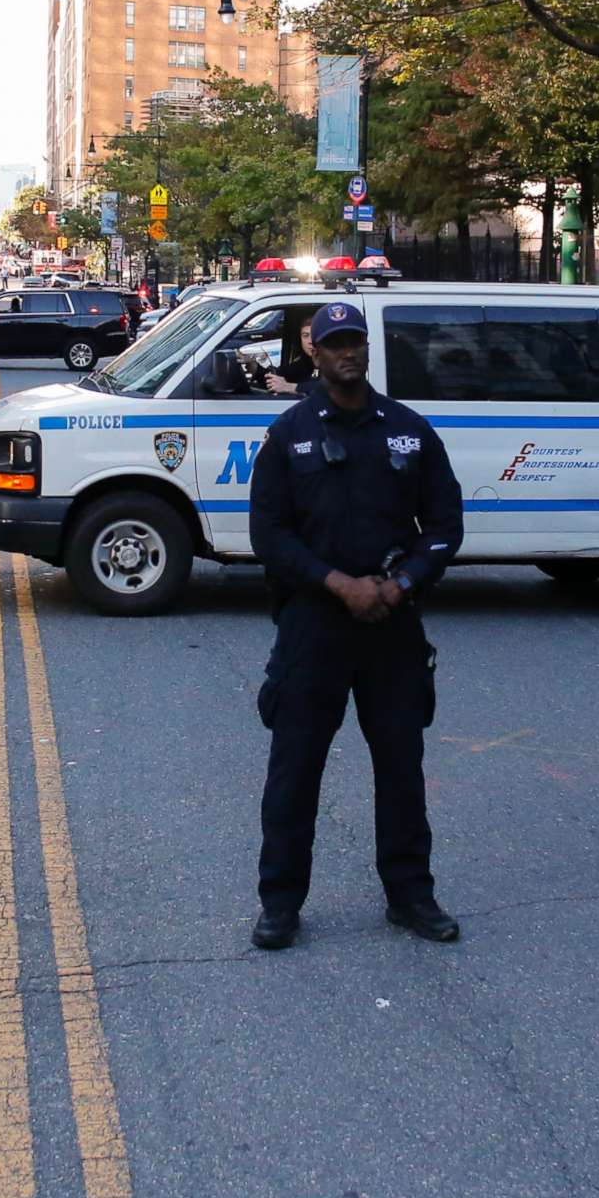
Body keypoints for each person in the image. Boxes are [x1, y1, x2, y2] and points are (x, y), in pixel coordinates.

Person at [246, 300, 465, 951]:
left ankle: (410, 894)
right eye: (334, 343)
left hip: (392, 625)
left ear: (367, 349)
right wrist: (337, 582)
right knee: (294, 770)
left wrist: (400, 584)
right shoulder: (289, 435)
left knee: (401, 764)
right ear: (314, 352)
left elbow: (447, 528)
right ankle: (280, 901)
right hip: (315, 623)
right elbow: (269, 534)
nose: (346, 353)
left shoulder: (408, 431)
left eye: (355, 342)